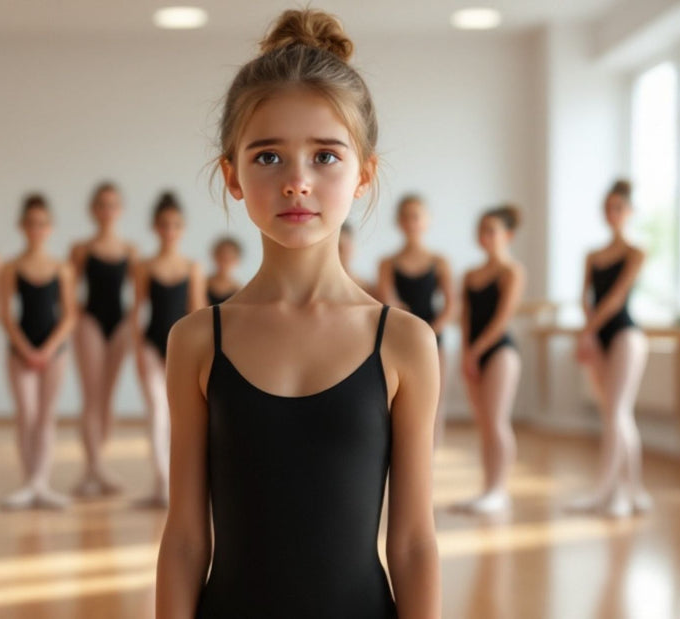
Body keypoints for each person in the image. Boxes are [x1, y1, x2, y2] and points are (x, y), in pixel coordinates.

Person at [155, 10, 440, 617]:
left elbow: (413, 543)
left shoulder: (404, 342)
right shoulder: (197, 340)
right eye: (267, 158)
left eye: (326, 157)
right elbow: (183, 539)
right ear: (231, 175)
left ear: (363, 174)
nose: (296, 182)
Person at [570, 180, 652, 517]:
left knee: (617, 411)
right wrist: (589, 334)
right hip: (598, 337)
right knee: (615, 413)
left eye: (618, 207)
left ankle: (612, 491)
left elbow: (617, 297)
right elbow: (586, 297)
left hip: (625, 335)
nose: (612, 214)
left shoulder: (636, 251)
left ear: (629, 212)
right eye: (607, 207)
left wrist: (588, 331)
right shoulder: (592, 255)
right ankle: (631, 490)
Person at [0, 194, 78, 509]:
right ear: (22, 226)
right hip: (20, 350)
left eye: (42, 223)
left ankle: (42, 483)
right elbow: (5, 314)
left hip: (54, 351)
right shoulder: (11, 267)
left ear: (50, 228)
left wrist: (47, 349)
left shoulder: (62, 268)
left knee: (46, 417)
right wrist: (26, 349)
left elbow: (70, 314)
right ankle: (28, 482)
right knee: (27, 415)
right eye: (31, 223)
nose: (36, 228)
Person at [131, 191, 205, 508]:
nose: (169, 231)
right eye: (164, 225)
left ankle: (176, 486)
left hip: (181, 351)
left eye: (175, 225)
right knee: (157, 413)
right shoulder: (144, 266)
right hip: (150, 345)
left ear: (182, 228)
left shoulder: (192, 267)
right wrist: (136, 350)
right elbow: (136, 311)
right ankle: (162, 482)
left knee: (180, 418)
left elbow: (198, 312)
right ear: (155, 227)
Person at [454, 205, 526, 515]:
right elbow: (466, 318)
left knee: (496, 421)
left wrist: (478, 350)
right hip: (474, 354)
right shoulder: (470, 274)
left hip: (501, 352)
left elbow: (503, 318)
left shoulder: (512, 271)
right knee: (483, 424)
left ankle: (500, 489)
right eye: (481, 229)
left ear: (507, 235)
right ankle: (487, 488)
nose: (485, 235)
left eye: (492, 230)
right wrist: (466, 353)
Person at [68, 182, 137, 497]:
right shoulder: (81, 249)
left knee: (108, 398)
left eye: (113, 205)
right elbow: (67, 290)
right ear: (93, 210)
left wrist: (134, 325)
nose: (107, 211)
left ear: (120, 210)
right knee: (91, 395)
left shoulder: (129, 251)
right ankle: (93, 469)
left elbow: (140, 294)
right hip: (90, 322)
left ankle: (97, 465)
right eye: (102, 205)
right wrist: (77, 317)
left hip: (119, 323)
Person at [377, 194, 456, 445]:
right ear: (398, 222)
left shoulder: (439, 261)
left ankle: (431, 465)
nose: (410, 222)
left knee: (435, 403)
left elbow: (451, 305)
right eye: (405, 216)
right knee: (400, 404)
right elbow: (387, 301)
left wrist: (430, 333)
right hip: (400, 337)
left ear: (426, 221)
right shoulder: (387, 263)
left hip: (434, 337)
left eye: (416, 216)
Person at [205, 236, 243, 305]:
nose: (225, 261)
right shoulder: (201, 285)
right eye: (222, 256)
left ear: (237, 260)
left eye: (229, 258)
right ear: (214, 255)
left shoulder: (240, 291)